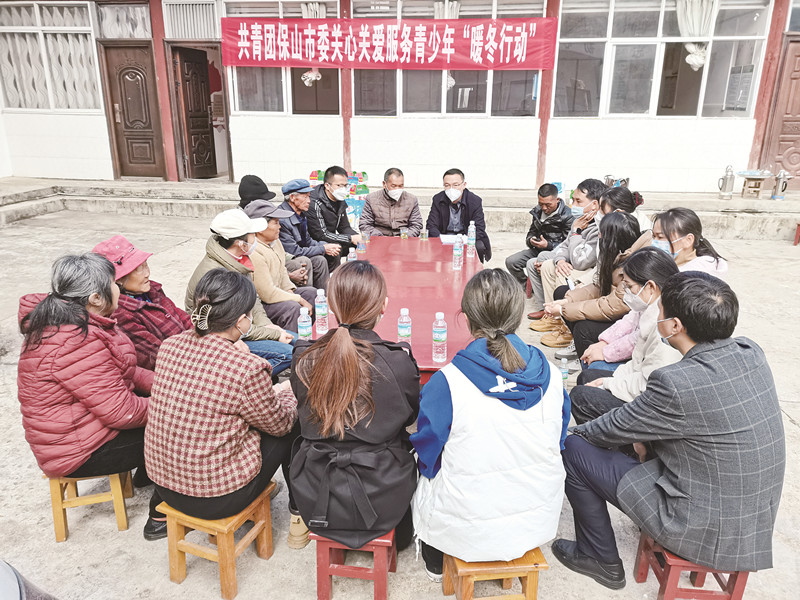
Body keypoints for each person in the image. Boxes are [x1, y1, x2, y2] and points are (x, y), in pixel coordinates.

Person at [554, 272, 785, 589]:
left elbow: (608, 429)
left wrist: (565, 437)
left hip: (696, 524)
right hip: (749, 525)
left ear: (675, 326)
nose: (655, 317)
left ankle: (598, 558)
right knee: (643, 441)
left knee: (575, 448)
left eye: (661, 311)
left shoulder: (677, 381)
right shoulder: (750, 352)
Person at [411, 269, 570, 581]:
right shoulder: (551, 375)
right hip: (535, 519)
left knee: (418, 468)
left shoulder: (448, 382)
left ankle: (435, 560)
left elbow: (428, 454)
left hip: (467, 528)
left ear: (467, 318)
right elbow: (559, 440)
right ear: (518, 316)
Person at [17, 253, 164, 540]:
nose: (118, 288)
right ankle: (161, 516)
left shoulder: (77, 319)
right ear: (96, 297)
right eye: (113, 283)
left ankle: (152, 474)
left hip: (83, 429)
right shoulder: (74, 339)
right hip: (77, 450)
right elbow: (122, 412)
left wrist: (174, 384)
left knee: (175, 408)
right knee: (181, 428)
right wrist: (181, 402)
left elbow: (126, 370)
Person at [145, 269, 299, 532]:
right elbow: (279, 424)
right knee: (293, 423)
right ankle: (299, 515)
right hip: (217, 497)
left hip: (164, 485)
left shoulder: (170, 346)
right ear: (241, 321)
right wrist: (287, 392)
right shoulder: (246, 368)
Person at [289, 261, 420, 551]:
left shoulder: (303, 357)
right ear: (383, 306)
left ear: (332, 307)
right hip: (384, 490)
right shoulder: (397, 361)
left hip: (316, 491)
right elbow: (411, 416)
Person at [571, 247, 681, 424]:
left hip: (652, 403)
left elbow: (650, 385)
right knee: (586, 378)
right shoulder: (653, 308)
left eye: (629, 286)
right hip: (640, 376)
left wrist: (609, 383)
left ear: (651, 287)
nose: (626, 292)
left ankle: (620, 444)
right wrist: (613, 376)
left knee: (581, 395)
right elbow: (638, 363)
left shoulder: (664, 326)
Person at [540, 189, 650, 358]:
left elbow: (613, 305)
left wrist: (564, 309)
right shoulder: (615, 246)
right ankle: (578, 344)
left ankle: (589, 358)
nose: (598, 235)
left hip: (624, 314)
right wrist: (567, 301)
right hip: (611, 301)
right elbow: (600, 285)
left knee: (584, 327)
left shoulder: (634, 262)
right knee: (562, 292)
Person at [185, 209, 295, 375]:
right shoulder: (216, 272)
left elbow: (253, 298)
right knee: (287, 353)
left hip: (240, 327)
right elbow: (225, 325)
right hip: (221, 335)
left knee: (297, 340)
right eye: (252, 234)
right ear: (239, 243)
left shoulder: (237, 259)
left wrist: (267, 324)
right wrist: (271, 334)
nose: (256, 237)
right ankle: (247, 382)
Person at [93, 235, 192, 371]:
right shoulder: (121, 314)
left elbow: (182, 317)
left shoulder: (152, 290)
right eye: (139, 269)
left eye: (146, 266)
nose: (147, 273)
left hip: (191, 353)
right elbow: (157, 356)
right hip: (176, 368)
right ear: (119, 279)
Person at [526, 178, 606, 321]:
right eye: (572, 200)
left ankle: (562, 321)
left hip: (588, 270)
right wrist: (561, 260)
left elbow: (581, 262)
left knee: (561, 271)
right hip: (573, 262)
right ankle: (550, 314)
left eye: (578, 201)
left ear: (594, 205)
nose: (573, 205)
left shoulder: (597, 228)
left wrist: (575, 232)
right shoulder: (580, 221)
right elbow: (564, 246)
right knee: (550, 265)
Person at [243, 200, 319, 331]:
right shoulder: (254, 250)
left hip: (277, 293)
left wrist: (290, 291)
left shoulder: (275, 241)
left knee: (312, 294)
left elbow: (282, 270)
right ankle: (295, 345)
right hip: (262, 304)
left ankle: (314, 336)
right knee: (292, 308)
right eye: (276, 223)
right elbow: (267, 294)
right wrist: (297, 299)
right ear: (260, 227)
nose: (280, 227)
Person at [505, 183, 574, 285]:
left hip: (556, 254)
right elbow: (532, 231)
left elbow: (568, 242)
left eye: (548, 205)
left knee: (534, 264)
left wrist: (548, 245)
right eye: (541, 204)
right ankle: (527, 287)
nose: (544, 208)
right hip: (538, 250)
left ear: (557, 200)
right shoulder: (537, 211)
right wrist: (531, 240)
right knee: (511, 262)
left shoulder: (568, 215)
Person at [278, 178, 337, 290]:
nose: (309, 200)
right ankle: (308, 296)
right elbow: (294, 251)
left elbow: (308, 241)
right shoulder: (283, 219)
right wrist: (323, 248)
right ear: (292, 198)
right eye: (305, 197)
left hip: (299, 253)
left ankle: (324, 295)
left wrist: (325, 246)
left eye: (309, 196)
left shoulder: (300, 214)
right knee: (306, 261)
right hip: (288, 259)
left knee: (321, 259)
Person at [426, 168, 492, 262]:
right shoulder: (438, 199)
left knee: (479, 246)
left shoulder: (474, 201)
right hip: (445, 237)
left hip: (466, 238)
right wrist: (441, 238)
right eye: (447, 185)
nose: (451, 189)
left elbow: (479, 229)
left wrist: (465, 239)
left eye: (455, 185)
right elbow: (431, 225)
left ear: (463, 185)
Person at [307, 165, 362, 270]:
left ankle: (353, 276)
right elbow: (321, 234)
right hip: (314, 242)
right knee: (335, 250)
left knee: (357, 246)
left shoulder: (339, 198)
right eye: (339, 185)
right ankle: (332, 281)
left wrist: (357, 238)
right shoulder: (315, 202)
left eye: (345, 185)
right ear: (327, 186)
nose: (344, 189)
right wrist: (350, 238)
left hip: (330, 238)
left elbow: (344, 227)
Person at [652, 207, 728, 277]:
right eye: (654, 236)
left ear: (688, 240)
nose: (654, 242)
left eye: (661, 237)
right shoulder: (672, 265)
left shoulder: (694, 279)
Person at [359, 167, 423, 237]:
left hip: (404, 239)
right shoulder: (372, 199)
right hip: (379, 239)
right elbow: (364, 224)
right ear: (384, 184)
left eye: (401, 186)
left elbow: (417, 224)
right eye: (393, 186)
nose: (397, 189)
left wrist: (404, 236)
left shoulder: (411, 200)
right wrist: (379, 237)